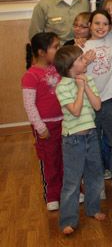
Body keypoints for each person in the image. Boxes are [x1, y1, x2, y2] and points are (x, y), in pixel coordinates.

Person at [54, 45, 104, 235]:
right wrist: (80, 88)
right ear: (70, 65)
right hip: (72, 140)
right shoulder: (62, 86)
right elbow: (74, 111)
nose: (85, 61)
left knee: (95, 175)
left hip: (90, 136)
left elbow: (97, 106)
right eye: (82, 59)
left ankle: (93, 208)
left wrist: (86, 85)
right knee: (72, 181)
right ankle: (68, 220)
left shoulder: (88, 78)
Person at [83, 9, 112, 199]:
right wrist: (85, 62)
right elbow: (74, 71)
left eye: (104, 24)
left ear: (109, 27)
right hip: (88, 104)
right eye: (96, 23)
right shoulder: (82, 46)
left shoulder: (111, 39)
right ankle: (98, 183)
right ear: (90, 25)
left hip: (108, 101)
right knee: (92, 146)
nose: (101, 27)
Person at [21, 32, 63, 211]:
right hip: (46, 126)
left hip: (64, 122)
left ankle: (71, 190)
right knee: (50, 160)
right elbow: (29, 105)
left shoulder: (59, 67)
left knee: (67, 158)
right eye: (55, 47)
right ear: (41, 52)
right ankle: (52, 194)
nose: (58, 50)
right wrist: (40, 127)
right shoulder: (31, 75)